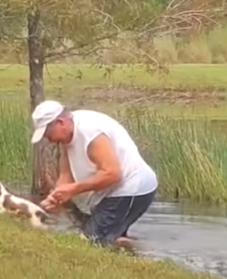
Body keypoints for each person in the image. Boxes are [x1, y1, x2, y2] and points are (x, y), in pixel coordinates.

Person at [30, 100, 158, 247]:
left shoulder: (90, 133)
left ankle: (147, 252)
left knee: (89, 242)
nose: (47, 138)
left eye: (47, 132)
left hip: (132, 188)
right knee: (107, 237)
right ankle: (130, 251)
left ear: (60, 122)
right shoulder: (67, 135)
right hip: (112, 192)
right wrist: (55, 198)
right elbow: (66, 175)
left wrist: (74, 189)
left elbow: (113, 174)